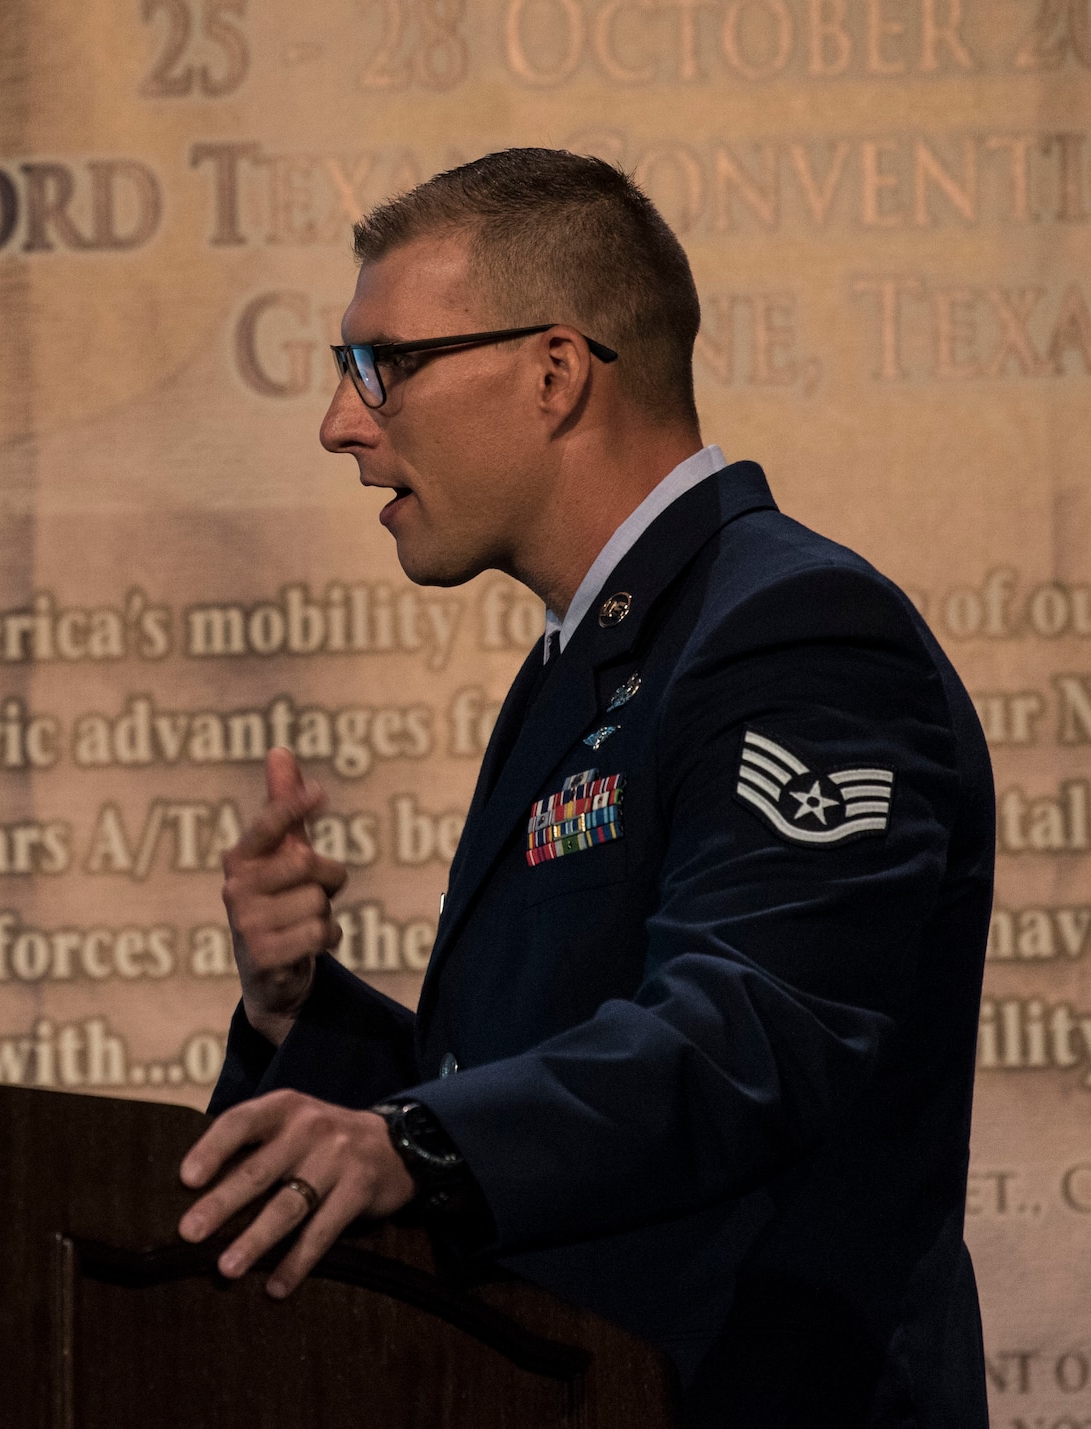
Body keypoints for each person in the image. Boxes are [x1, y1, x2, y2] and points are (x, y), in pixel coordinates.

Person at [175, 148, 993, 1428]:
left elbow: (752, 1033)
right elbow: (527, 1074)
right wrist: (298, 1021)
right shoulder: (593, 655)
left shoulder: (796, 631)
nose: (341, 419)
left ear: (554, 372)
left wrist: (416, 1145)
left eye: (380, 363)